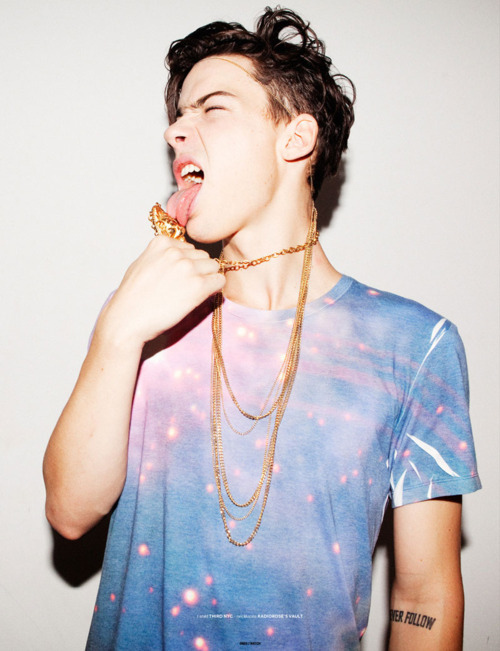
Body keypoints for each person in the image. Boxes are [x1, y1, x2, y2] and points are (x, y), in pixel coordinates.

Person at [43, 7, 481, 650]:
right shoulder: (142, 314)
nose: (176, 131)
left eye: (212, 108)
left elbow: (425, 597)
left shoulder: (414, 345)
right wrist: (117, 332)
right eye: (179, 115)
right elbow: (70, 512)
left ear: (296, 138)